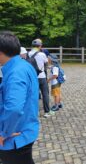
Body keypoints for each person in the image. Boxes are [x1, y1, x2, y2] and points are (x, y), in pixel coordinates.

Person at [0, 31, 39, 164]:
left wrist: (4, 133)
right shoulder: (24, 65)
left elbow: (14, 108)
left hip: (14, 137)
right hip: (25, 130)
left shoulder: (15, 72)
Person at [28, 39, 54, 118]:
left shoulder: (28, 54)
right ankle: (46, 112)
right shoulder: (42, 54)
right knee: (45, 94)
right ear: (40, 46)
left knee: (33, 95)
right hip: (41, 76)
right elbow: (47, 64)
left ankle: (35, 112)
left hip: (32, 77)